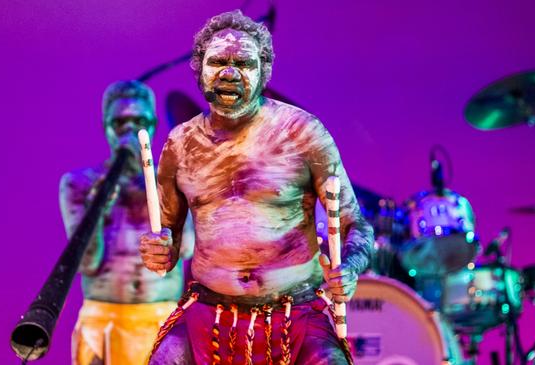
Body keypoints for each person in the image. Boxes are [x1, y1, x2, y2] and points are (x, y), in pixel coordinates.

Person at [140, 10, 374, 365]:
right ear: (199, 70)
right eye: (217, 61)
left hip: (297, 314)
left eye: (243, 63)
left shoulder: (302, 133)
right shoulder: (179, 144)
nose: (229, 73)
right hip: (209, 313)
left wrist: (351, 268)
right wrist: (159, 251)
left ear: (264, 72)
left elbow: (355, 223)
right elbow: (167, 237)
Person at [59, 80, 191, 365]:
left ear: (153, 124)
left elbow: (188, 246)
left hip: (160, 318)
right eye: (120, 123)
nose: (129, 131)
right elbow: (87, 263)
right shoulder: (80, 184)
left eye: (139, 121)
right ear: (106, 126)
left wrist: (150, 181)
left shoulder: (175, 182)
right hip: (102, 320)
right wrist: (102, 202)